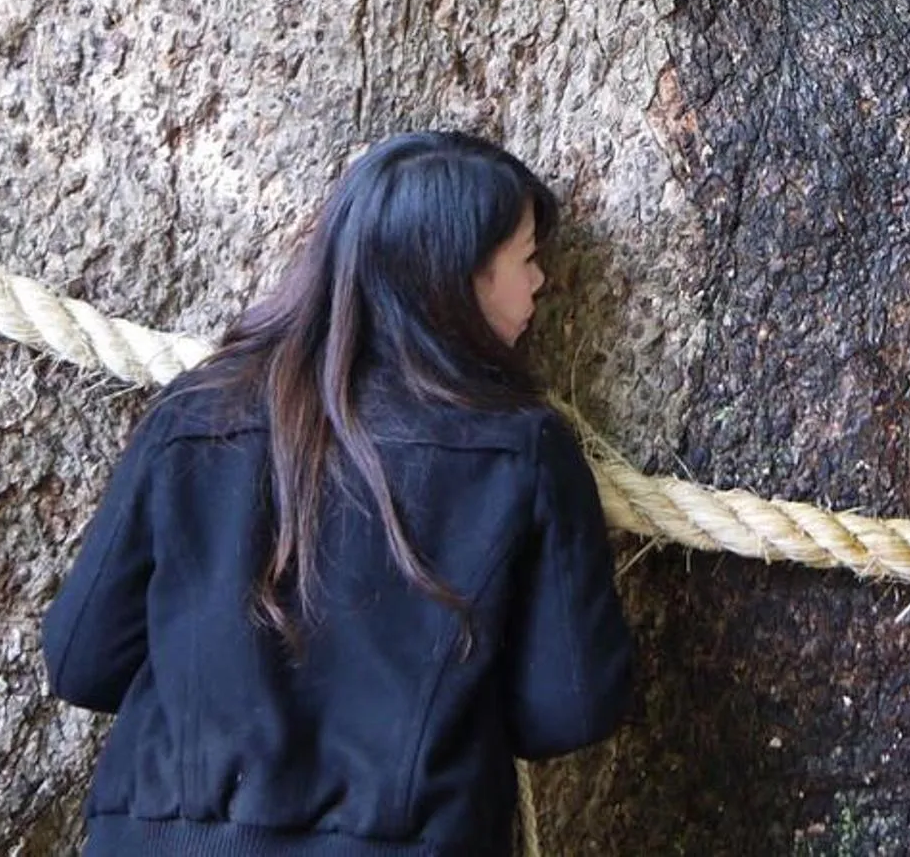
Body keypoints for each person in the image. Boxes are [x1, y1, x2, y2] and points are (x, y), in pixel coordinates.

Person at [43, 128, 636, 855]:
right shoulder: (522, 450)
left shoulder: (191, 418)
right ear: (458, 272)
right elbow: (569, 707)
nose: (540, 282)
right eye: (527, 258)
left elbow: (82, 662)